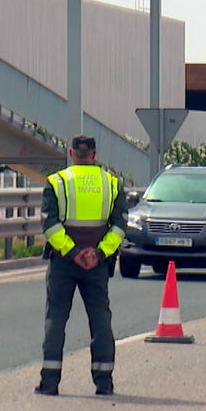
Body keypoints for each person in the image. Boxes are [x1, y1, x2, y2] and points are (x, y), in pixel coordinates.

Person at [37, 135, 127, 396]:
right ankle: (104, 383)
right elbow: (120, 226)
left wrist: (73, 252)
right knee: (100, 318)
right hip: (96, 266)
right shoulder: (111, 183)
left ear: (71, 152)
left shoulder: (58, 182)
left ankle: (50, 383)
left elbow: (50, 226)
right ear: (95, 155)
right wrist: (97, 254)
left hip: (63, 263)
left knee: (56, 318)